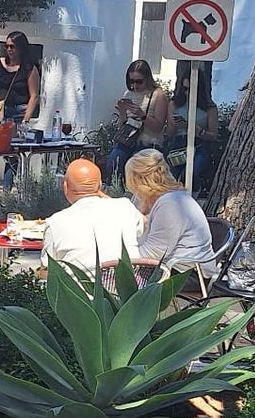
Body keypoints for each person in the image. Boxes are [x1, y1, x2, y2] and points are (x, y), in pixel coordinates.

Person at [125, 149, 218, 280]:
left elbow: (154, 253)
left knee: (113, 279)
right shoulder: (143, 197)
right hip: (166, 264)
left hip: (186, 273)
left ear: (140, 181)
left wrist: (118, 256)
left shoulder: (171, 205)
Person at [40, 159, 143, 275]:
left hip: (79, 292)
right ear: (100, 185)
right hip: (127, 290)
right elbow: (143, 229)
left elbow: (47, 272)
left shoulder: (55, 223)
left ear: (65, 186)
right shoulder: (126, 207)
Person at [0, 31, 41, 194]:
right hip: (0, 112)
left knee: (12, 156)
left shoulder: (29, 68)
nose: (9, 49)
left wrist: (25, 121)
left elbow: (34, 96)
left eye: (12, 46)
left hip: (18, 112)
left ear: (21, 48)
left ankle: (6, 196)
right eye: (6, 46)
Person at [107, 60, 171, 180]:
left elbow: (158, 127)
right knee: (113, 163)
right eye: (131, 81)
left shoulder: (158, 95)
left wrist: (142, 116)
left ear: (147, 79)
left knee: (138, 172)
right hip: (128, 141)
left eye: (139, 82)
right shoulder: (129, 94)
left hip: (149, 143)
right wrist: (122, 113)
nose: (134, 86)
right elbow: (121, 126)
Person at [168, 61, 218, 190]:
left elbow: (213, 135)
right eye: (185, 89)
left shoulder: (209, 108)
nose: (187, 93)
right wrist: (173, 125)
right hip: (178, 146)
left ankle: (193, 197)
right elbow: (169, 134)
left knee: (190, 173)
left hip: (199, 145)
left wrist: (197, 130)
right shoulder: (174, 104)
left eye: (191, 89)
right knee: (173, 178)